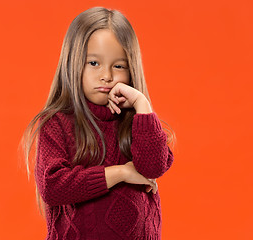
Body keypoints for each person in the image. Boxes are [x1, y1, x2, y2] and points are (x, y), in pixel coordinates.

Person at [19, 6, 176, 240]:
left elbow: (154, 167)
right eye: (94, 63)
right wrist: (121, 173)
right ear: (73, 63)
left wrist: (142, 105)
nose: (107, 76)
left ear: (132, 69)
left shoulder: (137, 121)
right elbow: (52, 186)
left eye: (119, 66)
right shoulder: (57, 122)